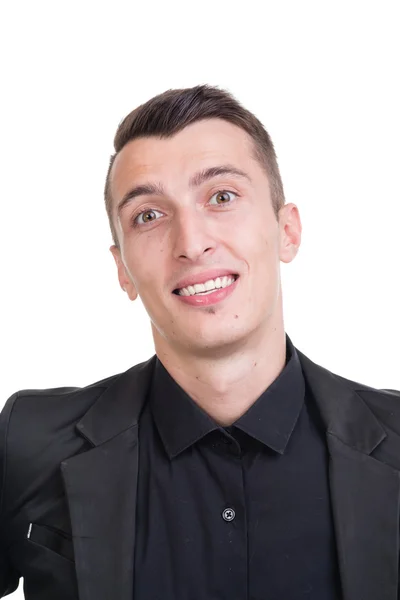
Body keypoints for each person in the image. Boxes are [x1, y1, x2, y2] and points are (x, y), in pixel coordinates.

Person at [1, 84, 399, 600]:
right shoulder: (28, 442)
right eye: (148, 215)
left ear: (287, 231)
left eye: (222, 197)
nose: (191, 242)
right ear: (122, 269)